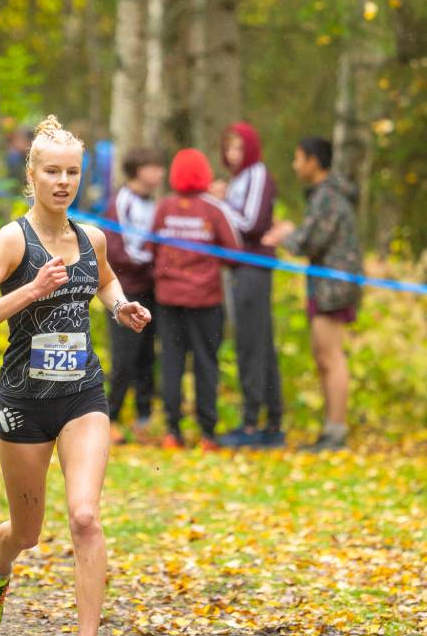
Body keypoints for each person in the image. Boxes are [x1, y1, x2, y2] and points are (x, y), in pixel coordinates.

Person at [0, 115, 150, 636]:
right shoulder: (12, 240)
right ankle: (1, 562)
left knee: (85, 517)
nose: (63, 182)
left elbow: (106, 281)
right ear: (32, 175)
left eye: (72, 173)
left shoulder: (92, 239)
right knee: (28, 531)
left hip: (82, 395)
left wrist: (121, 308)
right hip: (24, 404)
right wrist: (30, 290)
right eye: (52, 172)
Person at [262, 137, 362, 452]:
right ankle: (331, 429)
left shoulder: (329, 197)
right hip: (324, 284)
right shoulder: (323, 195)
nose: (295, 165)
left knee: (331, 357)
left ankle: (336, 432)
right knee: (323, 355)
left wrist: (286, 234)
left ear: (314, 161)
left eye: (298, 158)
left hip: (335, 286)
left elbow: (311, 241)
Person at [152, 148, 241, 451]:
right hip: (205, 302)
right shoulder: (213, 210)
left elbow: (151, 248)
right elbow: (234, 253)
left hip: (168, 300)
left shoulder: (164, 208)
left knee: (172, 362)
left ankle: (172, 431)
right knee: (206, 364)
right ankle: (207, 433)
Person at [210, 122, 284, 447]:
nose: (232, 154)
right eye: (228, 148)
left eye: (238, 147)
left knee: (253, 343)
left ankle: (254, 424)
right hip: (239, 270)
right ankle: (268, 421)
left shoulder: (257, 175)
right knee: (254, 342)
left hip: (253, 269)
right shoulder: (238, 179)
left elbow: (251, 224)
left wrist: (218, 207)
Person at [103, 147, 165, 444]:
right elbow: (119, 248)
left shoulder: (155, 203)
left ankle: (144, 417)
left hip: (151, 287)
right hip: (125, 289)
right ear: (138, 170)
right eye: (153, 167)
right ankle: (109, 418)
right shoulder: (122, 201)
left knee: (146, 355)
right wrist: (152, 262)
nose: (159, 173)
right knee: (124, 356)